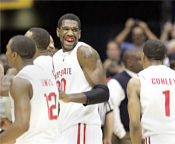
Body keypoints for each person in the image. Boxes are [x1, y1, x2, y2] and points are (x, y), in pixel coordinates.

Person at [53, 13, 109, 144]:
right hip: (63, 128)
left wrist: (68, 97)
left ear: (80, 34)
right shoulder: (55, 58)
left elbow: (103, 93)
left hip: (82, 126)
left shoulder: (84, 52)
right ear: (58, 32)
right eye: (66, 29)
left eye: (74, 30)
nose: (70, 33)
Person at [0, 35, 59, 144]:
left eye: (7, 50)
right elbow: (56, 109)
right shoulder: (48, 77)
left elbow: (22, 126)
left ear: (14, 55)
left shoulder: (20, 80)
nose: (6, 54)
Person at [127, 39, 175, 144]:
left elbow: (135, 124)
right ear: (164, 57)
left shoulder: (136, 82)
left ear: (142, 56)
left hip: (154, 138)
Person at [108, 48, 143, 144]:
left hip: (142, 135)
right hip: (126, 136)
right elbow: (112, 109)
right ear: (130, 62)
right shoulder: (116, 82)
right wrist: (122, 135)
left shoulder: (145, 79)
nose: (144, 61)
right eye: (140, 59)